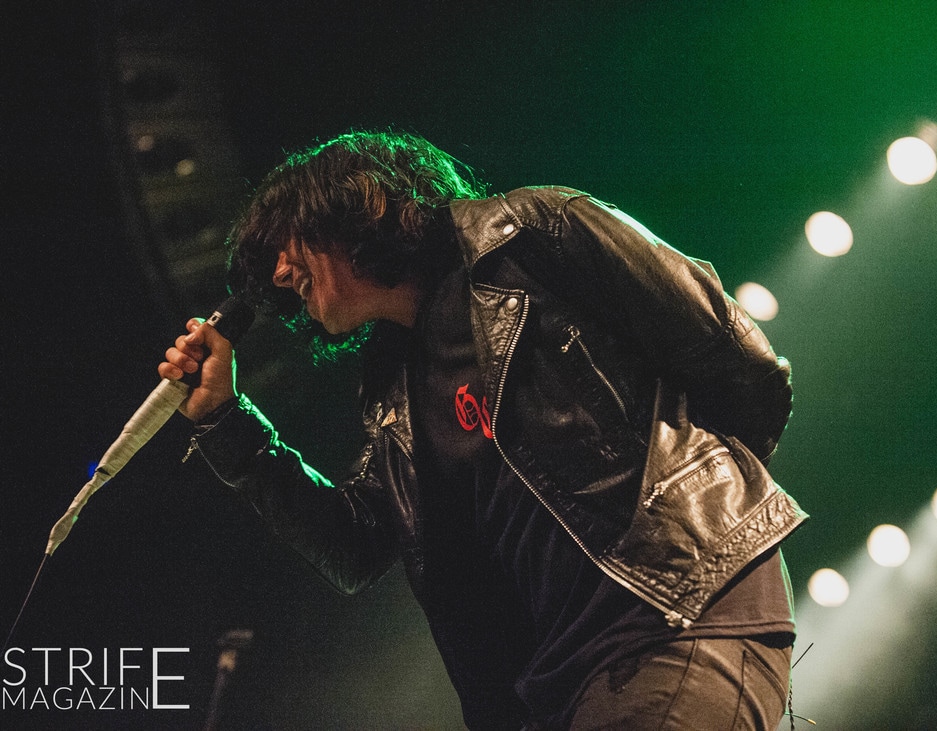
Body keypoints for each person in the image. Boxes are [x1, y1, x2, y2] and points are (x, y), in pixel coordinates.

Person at [160, 130, 807, 729]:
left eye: (287, 243)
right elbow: (356, 545)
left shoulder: (531, 233)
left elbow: (742, 365)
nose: (279, 274)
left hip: (683, 616)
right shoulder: (391, 382)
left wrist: (715, 530)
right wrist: (224, 418)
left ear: (353, 205)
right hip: (558, 684)